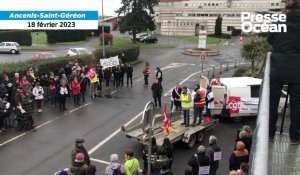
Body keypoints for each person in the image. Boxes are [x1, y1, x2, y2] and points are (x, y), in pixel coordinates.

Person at [267, 0, 300, 145]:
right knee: (297, 104)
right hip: (297, 69)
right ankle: (294, 137)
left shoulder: (278, 23)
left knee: (272, 102)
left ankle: (270, 134)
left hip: (278, 67)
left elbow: (270, 40)